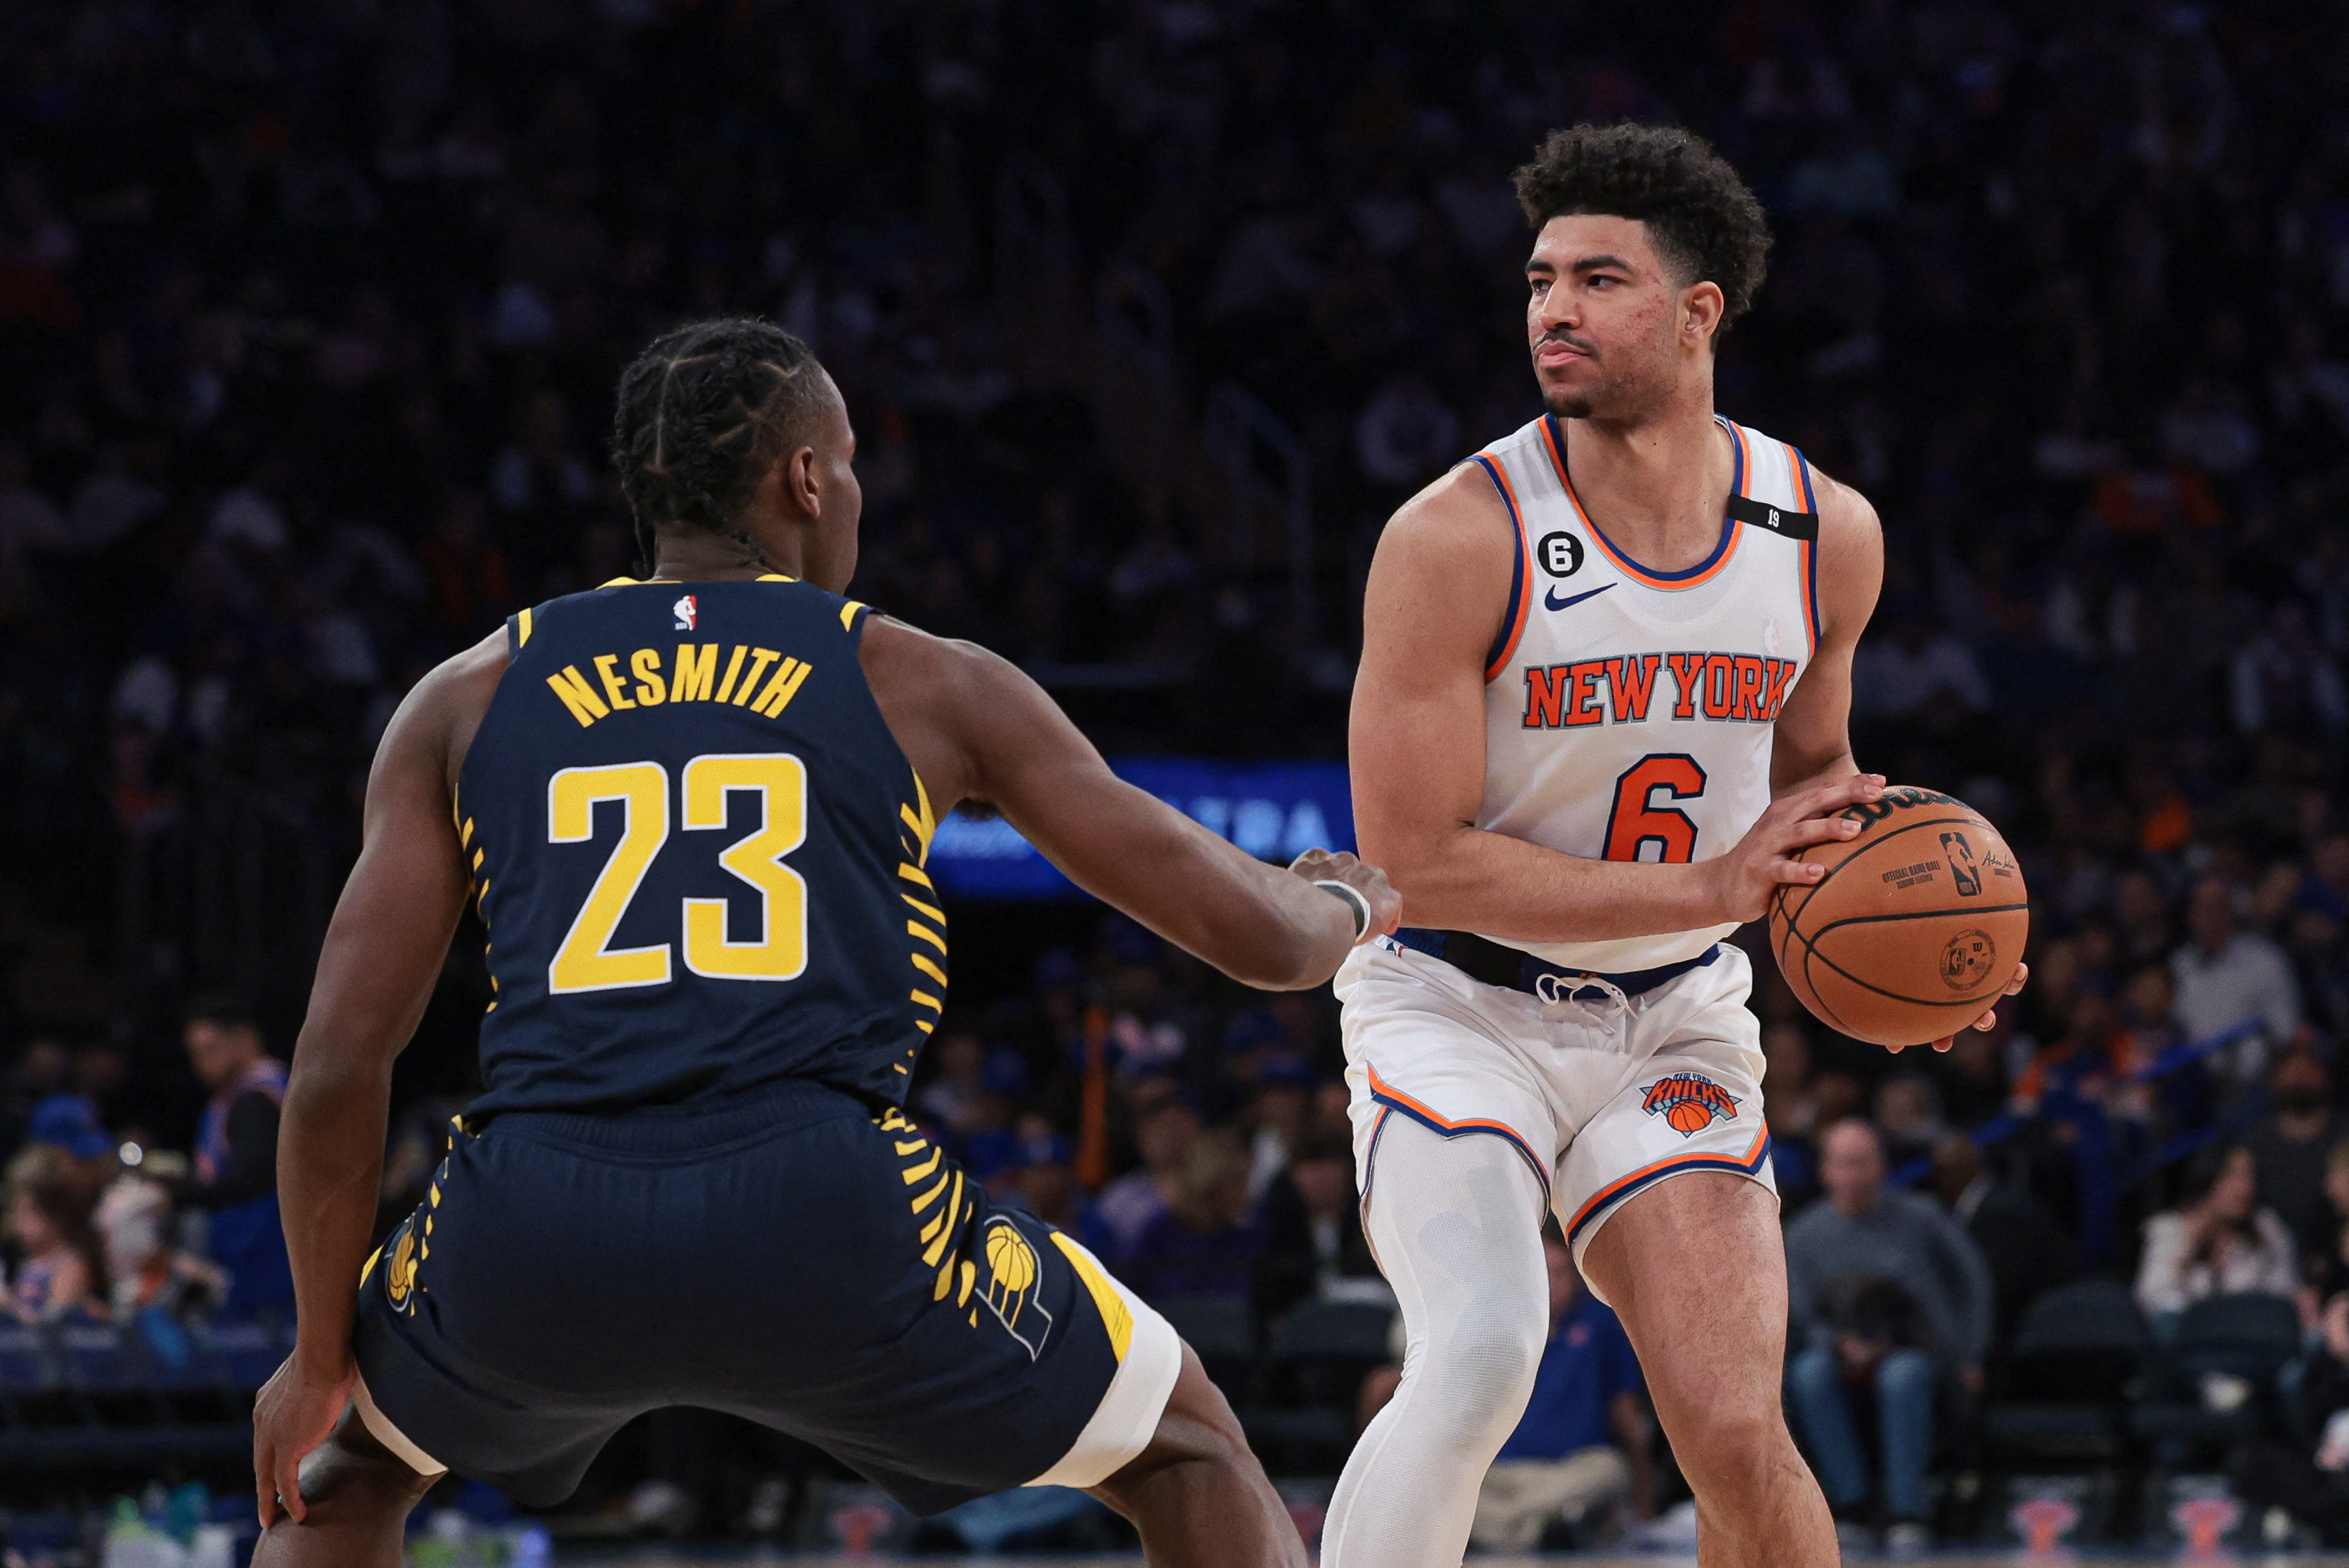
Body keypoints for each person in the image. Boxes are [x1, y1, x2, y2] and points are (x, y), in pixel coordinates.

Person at [247, 317, 1401, 1568]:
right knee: (1185, 1447)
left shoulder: (466, 693)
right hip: (821, 1206)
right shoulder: (918, 677)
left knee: (344, 1474)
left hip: (534, 1216)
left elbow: (336, 1065)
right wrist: (1343, 905)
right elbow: (1255, 940)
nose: (852, 491)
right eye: (847, 462)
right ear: (806, 477)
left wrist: (316, 1357)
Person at [1332, 122, 2021, 1568]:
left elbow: (1813, 774)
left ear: (1698, 311)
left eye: (1598, 279)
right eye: (1539, 279)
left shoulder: (1821, 528)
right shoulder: (1457, 533)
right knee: (1478, 1356)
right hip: (1455, 999)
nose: (1552, 309)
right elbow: (1406, 859)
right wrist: (1711, 882)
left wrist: (1940, 939)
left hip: (1672, 1015)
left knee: (1733, 1433)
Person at [1784, 1120, 1993, 1550]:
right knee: (1808, 1375)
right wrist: (1839, 1344)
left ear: (1882, 1166)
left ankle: (1907, 1510)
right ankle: (1851, 1505)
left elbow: (1973, 1281)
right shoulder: (1802, 1235)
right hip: (1838, 1352)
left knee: (1903, 1376)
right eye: (1845, 1164)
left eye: (1863, 1163)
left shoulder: (1923, 1217)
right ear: (1825, 1170)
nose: (1854, 1176)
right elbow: (1797, 1310)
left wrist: (1972, 1354)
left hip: (1917, 1348)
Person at [183, 993, 293, 1314]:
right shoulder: (232, 1098)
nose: (201, 1063)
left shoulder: (258, 1098)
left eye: (210, 1049)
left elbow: (250, 1176)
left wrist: (179, 1195)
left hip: (267, 1261)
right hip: (248, 1262)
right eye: (195, 1054)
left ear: (245, 1039)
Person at [2135, 1142, 2299, 1320]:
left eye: (2249, 1176)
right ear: (2209, 1178)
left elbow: (2286, 1295)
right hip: (2190, 1333)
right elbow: (2153, 1298)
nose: (2245, 1188)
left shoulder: (2267, 1227)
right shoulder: (2170, 1229)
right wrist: (2188, 1247)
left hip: (2251, 1330)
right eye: (2232, 1175)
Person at [1252, 1125, 1382, 1326]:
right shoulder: (1278, 1223)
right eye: (1311, 1168)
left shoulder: (1373, 1216)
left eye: (1331, 1166)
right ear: (1294, 1175)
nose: (1322, 1178)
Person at [2245, 1047, 2342, 1263]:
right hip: (2272, 1255)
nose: (2300, 1080)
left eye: (2307, 1071)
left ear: (2324, 1075)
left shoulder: (2344, 1133)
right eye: (2292, 1072)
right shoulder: (2255, 1142)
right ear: (2276, 1079)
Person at [4, 1176, 103, 1322]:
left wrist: (9, 1306)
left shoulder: (70, 1265)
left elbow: (54, 1317)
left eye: (27, 1214)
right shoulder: (27, 1264)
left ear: (56, 1220)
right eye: (16, 1214)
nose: (17, 1222)